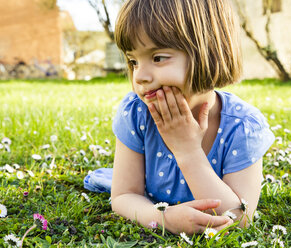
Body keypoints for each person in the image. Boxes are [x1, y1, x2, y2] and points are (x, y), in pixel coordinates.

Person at [85, 0, 275, 235]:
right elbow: (124, 196)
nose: (140, 76)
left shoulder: (243, 126)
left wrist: (187, 150)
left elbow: (238, 218)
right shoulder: (136, 113)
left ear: (208, 50)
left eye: (158, 58)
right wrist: (162, 218)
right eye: (134, 61)